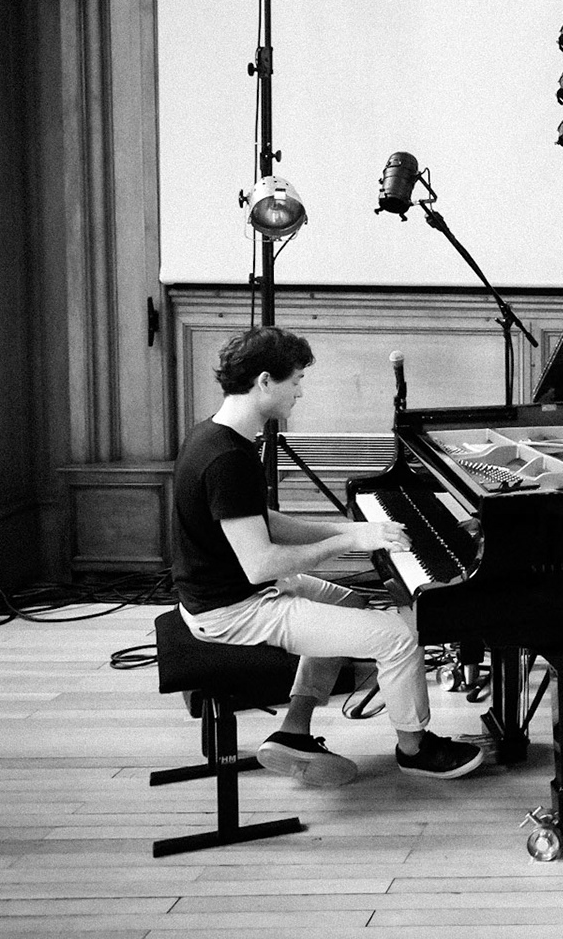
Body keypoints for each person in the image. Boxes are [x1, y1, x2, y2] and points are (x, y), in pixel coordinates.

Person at [170, 326, 483, 785]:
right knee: (397, 637)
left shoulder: (216, 436)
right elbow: (261, 564)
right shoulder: (227, 461)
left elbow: (264, 521)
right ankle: (414, 748)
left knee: (350, 603)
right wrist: (347, 542)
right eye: (295, 380)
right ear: (264, 382)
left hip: (226, 594)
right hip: (233, 609)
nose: (300, 391)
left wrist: (349, 528)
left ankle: (294, 730)